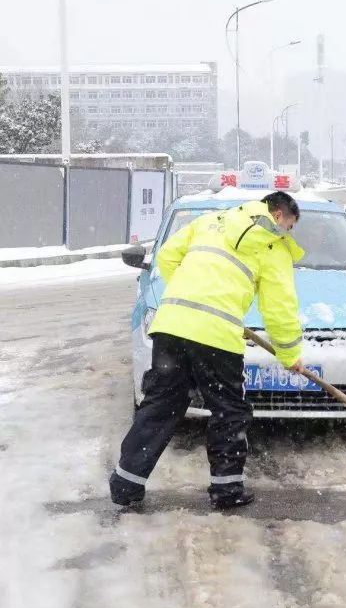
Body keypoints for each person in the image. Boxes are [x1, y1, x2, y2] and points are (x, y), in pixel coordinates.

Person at [109, 191, 304, 510]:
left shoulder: (210, 221)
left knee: (161, 404)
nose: (288, 233)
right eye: (290, 225)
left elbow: (167, 257)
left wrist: (192, 297)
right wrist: (289, 354)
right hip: (215, 337)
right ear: (279, 214)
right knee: (229, 410)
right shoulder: (271, 244)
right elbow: (279, 308)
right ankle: (226, 490)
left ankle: (126, 484)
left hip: (171, 325)